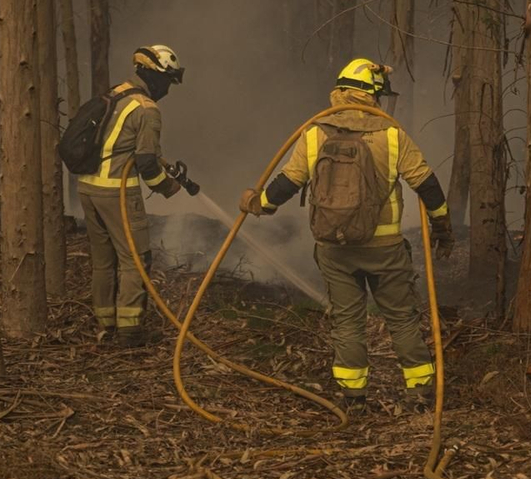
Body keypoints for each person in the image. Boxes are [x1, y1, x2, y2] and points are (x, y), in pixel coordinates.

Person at [239, 58, 454, 412]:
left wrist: (257, 203)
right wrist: (442, 228)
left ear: (340, 92)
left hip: (334, 248)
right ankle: (420, 395)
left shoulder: (314, 132)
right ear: (372, 95)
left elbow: (287, 184)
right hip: (384, 248)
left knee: (347, 320)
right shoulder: (391, 134)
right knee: (401, 318)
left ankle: (353, 398)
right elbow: (428, 186)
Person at [78, 44, 196, 347]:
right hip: (117, 192)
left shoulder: (118, 94)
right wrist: (170, 188)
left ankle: (105, 326)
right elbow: (145, 163)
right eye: (168, 81)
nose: (168, 88)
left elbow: (129, 147)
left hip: (88, 188)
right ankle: (130, 332)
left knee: (104, 261)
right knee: (135, 259)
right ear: (156, 76)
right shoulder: (147, 109)